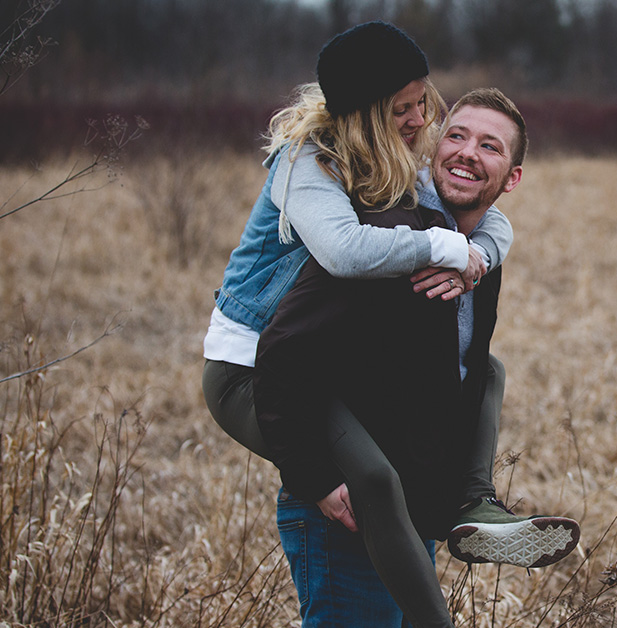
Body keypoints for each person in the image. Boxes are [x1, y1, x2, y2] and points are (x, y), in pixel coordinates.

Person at [199, 21, 575, 627]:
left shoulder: (393, 162)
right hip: (252, 361)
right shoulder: (307, 164)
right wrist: (443, 249)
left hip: (311, 361)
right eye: (404, 108)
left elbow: (483, 215)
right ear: (368, 112)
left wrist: (477, 258)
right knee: (371, 477)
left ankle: (473, 502)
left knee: (487, 372)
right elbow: (346, 251)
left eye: (424, 101)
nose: (420, 118)